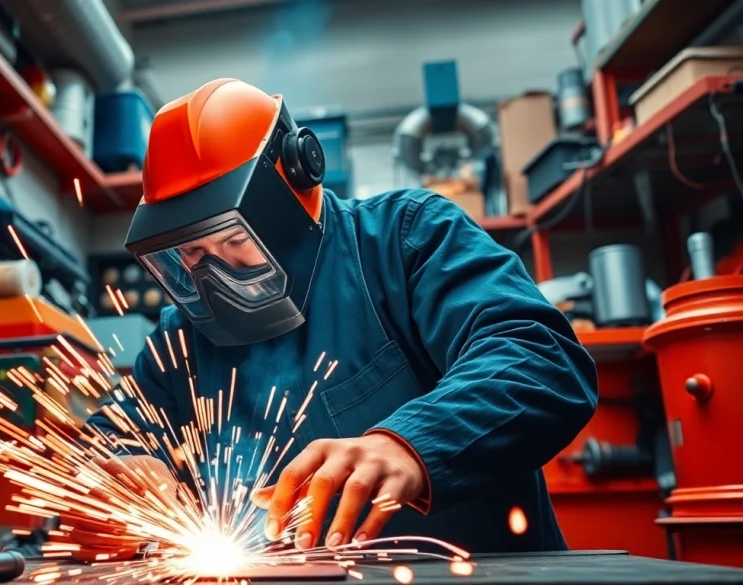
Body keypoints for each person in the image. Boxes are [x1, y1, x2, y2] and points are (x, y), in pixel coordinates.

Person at [78, 78, 598, 560]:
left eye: (234, 242)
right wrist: (124, 474)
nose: (214, 275)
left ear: (297, 187)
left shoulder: (405, 240)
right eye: (190, 254)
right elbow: (116, 435)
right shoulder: (183, 338)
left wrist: (407, 445)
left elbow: (538, 359)